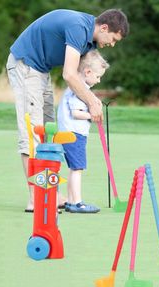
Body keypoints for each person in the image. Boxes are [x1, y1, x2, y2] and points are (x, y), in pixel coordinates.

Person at [6, 9, 129, 212]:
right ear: (104, 28)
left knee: (48, 133)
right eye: (113, 39)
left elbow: (85, 72)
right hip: (26, 65)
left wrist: (90, 96)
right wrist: (92, 101)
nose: (112, 44)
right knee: (33, 133)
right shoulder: (79, 28)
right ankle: (36, 198)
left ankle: (49, 193)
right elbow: (69, 74)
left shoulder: (89, 39)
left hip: (40, 71)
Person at [57, 50, 109, 213]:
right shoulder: (78, 90)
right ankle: (77, 202)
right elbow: (76, 113)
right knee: (77, 168)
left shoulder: (79, 89)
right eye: (98, 76)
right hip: (74, 135)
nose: (99, 80)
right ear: (87, 72)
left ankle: (72, 201)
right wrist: (92, 115)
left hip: (71, 134)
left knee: (74, 168)